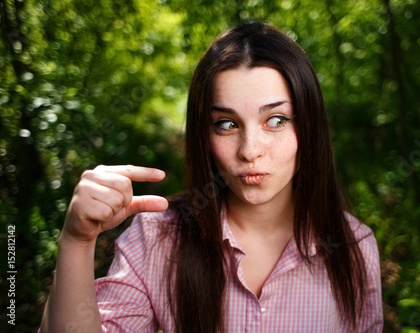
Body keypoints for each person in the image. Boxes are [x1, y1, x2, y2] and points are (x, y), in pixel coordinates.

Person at [40, 21, 383, 332]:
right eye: (227, 124)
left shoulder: (354, 247)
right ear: (204, 135)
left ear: (309, 126)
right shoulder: (157, 238)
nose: (250, 150)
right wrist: (77, 241)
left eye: (276, 120)